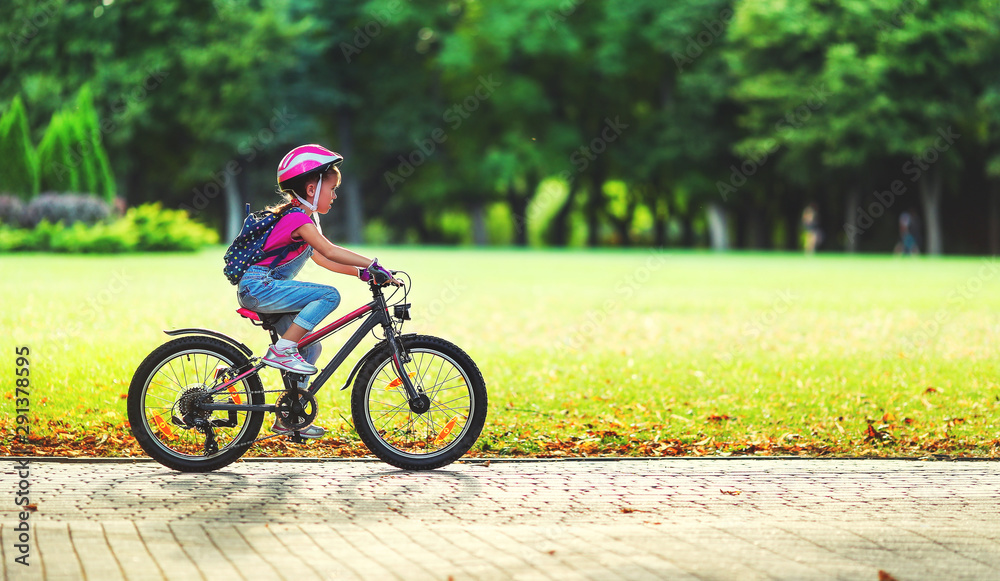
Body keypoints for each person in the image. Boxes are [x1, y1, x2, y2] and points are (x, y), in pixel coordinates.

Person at [236, 144, 399, 438]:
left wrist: (362, 272)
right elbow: (329, 249)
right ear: (312, 189)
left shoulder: (303, 219)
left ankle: (288, 416)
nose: (335, 195)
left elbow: (322, 258)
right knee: (329, 295)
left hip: (267, 287)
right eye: (332, 188)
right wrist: (374, 264)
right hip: (260, 286)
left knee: (310, 347)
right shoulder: (298, 219)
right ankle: (282, 349)